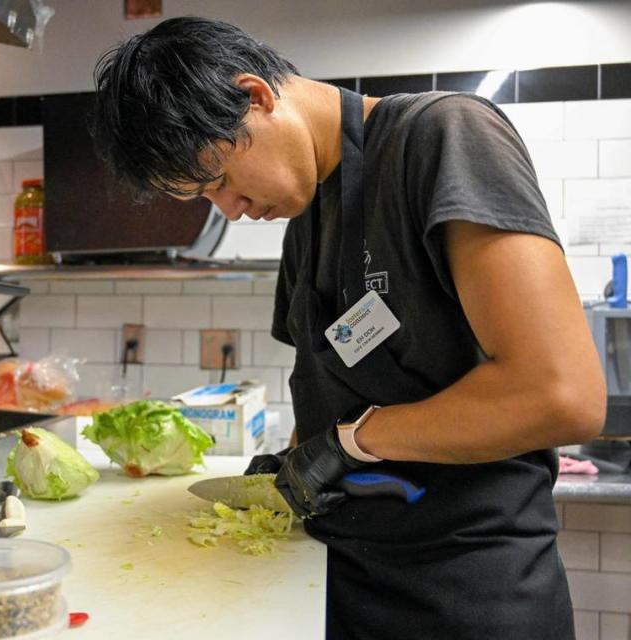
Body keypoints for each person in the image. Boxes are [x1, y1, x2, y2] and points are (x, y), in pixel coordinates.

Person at [91, 16, 607, 640]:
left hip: (468, 597)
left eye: (221, 180)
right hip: (344, 585)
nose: (230, 210)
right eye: (205, 198)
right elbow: (329, 400)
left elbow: (561, 396)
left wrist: (354, 442)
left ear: (256, 96)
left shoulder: (442, 136)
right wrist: (298, 461)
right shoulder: (303, 223)